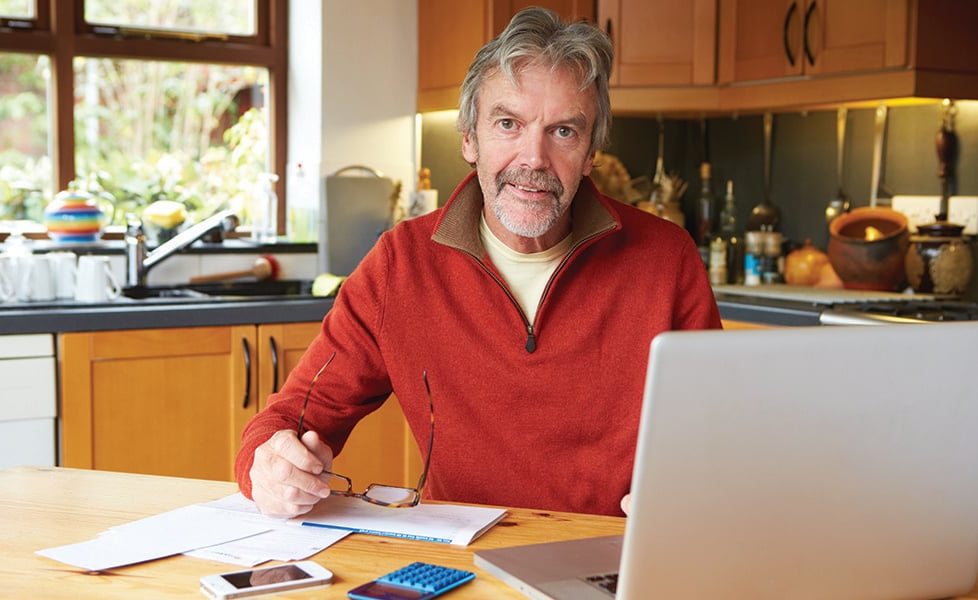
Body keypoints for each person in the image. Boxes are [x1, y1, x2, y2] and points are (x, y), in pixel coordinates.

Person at [236, 6, 722, 519]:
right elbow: (282, 424)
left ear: (591, 151)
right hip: (463, 563)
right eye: (508, 123)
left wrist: (693, 495)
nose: (534, 158)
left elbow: (723, 437)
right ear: (469, 139)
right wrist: (270, 470)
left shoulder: (667, 260)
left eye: (563, 132)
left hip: (614, 561)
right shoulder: (400, 265)